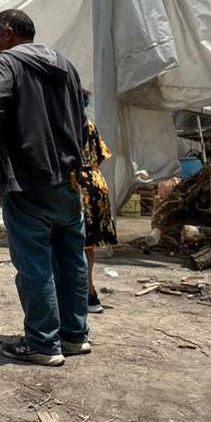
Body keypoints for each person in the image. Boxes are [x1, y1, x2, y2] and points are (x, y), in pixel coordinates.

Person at [0, 9, 90, 366]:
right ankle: (74, 336)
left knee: (34, 263)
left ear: (8, 33)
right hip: (69, 179)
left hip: (27, 179)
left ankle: (43, 342)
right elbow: (82, 120)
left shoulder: (6, 64)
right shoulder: (65, 65)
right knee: (71, 259)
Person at [78, 90, 118, 313]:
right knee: (88, 244)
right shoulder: (90, 125)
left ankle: (85, 293)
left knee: (76, 240)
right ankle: (90, 293)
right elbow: (102, 154)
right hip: (97, 182)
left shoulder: (69, 125)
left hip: (79, 184)